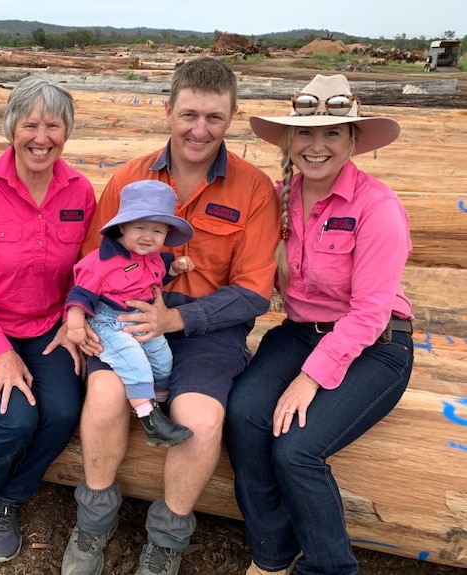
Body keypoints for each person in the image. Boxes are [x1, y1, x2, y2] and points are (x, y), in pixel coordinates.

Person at [61, 56, 281, 575]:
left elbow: (253, 292)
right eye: (188, 115)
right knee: (105, 394)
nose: (199, 130)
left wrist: (176, 322)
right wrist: (76, 318)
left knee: (202, 421)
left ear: (231, 119)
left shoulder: (252, 189)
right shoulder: (130, 176)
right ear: (167, 112)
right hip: (122, 318)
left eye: (213, 118)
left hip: (208, 326)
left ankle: (166, 540)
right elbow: (91, 264)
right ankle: (94, 522)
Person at [225, 74, 415, 575]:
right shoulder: (275, 198)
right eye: (306, 133)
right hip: (299, 331)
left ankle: (330, 568)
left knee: (296, 450)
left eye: (333, 133)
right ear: (289, 141)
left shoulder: (378, 208)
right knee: (244, 416)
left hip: (377, 344)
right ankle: (272, 553)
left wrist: (310, 379)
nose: (317, 145)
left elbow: (371, 312)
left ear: (353, 141)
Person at [0, 75, 96, 570]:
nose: (41, 137)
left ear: (66, 132)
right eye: (30, 124)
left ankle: (10, 499)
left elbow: (88, 272)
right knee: (14, 419)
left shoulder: (79, 191)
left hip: (47, 328)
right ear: (11, 128)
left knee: (59, 415)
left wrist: (72, 318)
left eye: (53, 125)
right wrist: (0, 353)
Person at [65, 180, 196, 448]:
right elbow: (80, 295)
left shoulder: (154, 257)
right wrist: (76, 325)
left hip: (140, 317)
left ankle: (158, 404)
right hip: (108, 322)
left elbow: (155, 278)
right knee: (134, 363)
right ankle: (151, 422)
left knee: (162, 360)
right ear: (123, 226)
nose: (148, 236)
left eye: (157, 230)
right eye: (140, 227)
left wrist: (175, 269)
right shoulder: (101, 263)